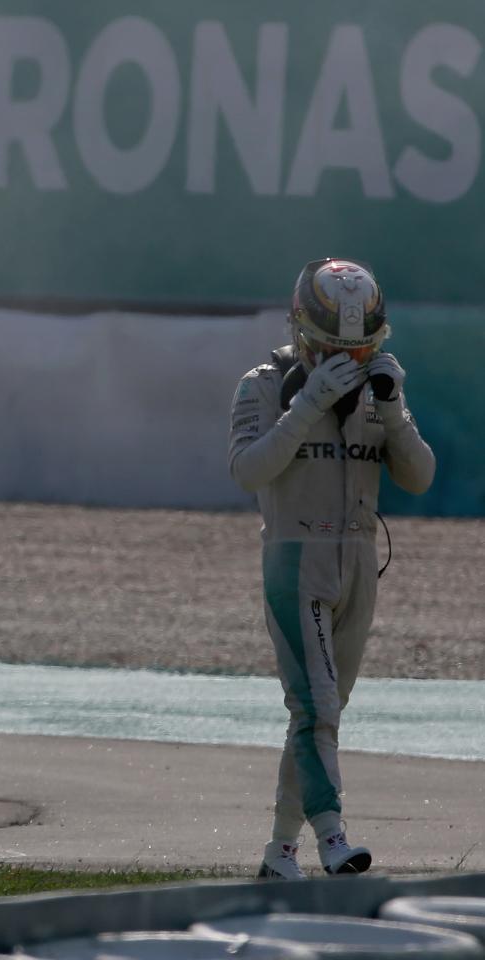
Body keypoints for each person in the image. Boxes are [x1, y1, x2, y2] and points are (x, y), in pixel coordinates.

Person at [228, 258, 435, 880]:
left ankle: (279, 852)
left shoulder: (380, 389)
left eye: (362, 348)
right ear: (300, 331)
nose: (346, 361)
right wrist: (307, 403)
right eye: (331, 349)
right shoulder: (263, 383)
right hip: (294, 557)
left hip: (360, 561)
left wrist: (394, 412)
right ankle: (333, 836)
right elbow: (246, 471)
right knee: (315, 707)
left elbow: (419, 477)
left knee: (321, 715)